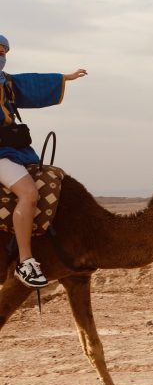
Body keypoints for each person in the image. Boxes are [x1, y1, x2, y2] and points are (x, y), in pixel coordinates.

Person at [0, 34, 88, 288]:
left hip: (12, 150)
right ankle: (26, 261)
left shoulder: (6, 83)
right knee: (28, 193)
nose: (2, 56)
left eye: (5, 51)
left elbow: (32, 83)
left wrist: (64, 78)